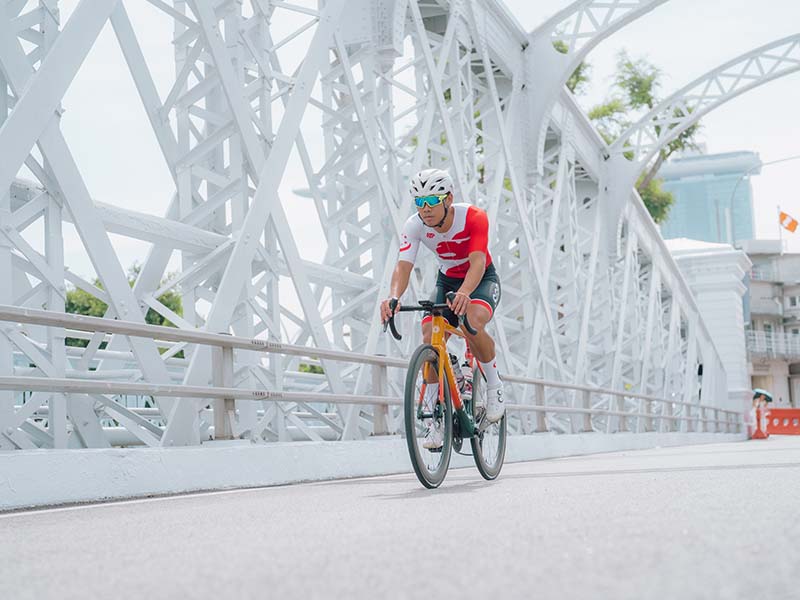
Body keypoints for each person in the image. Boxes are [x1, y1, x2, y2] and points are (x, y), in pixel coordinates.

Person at [380, 168, 503, 449]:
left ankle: (495, 386)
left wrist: (464, 293)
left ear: (448, 199)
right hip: (446, 280)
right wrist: (393, 297)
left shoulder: (473, 217)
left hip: (480, 278)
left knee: (472, 322)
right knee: (429, 338)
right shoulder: (415, 225)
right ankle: (433, 421)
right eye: (419, 203)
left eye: (431, 202)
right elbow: (403, 266)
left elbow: (477, 262)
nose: (425, 210)